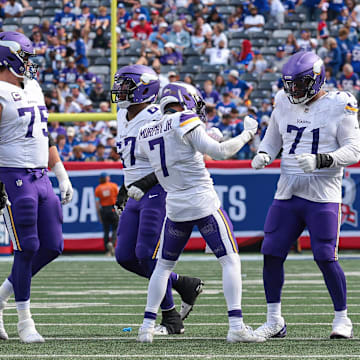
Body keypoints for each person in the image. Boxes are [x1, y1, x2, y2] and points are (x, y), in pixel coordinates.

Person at [134, 81, 263, 343]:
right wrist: (248, 134)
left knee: (162, 267)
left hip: (176, 206)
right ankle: (236, 326)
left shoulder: (146, 131)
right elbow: (220, 152)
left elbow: (175, 155)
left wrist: (199, 142)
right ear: (186, 100)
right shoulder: (185, 118)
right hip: (202, 201)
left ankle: (146, 327)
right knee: (230, 260)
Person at [251, 51, 360, 339]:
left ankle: (342, 319)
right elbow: (274, 135)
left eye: (300, 84)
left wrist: (321, 160)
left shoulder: (341, 103)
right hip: (287, 191)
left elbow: (354, 150)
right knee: (271, 253)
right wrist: (264, 153)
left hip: (323, 193)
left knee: (325, 255)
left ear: (316, 79)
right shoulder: (282, 100)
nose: (294, 90)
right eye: (290, 84)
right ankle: (274, 320)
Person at [111, 65, 204, 336]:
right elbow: (132, 160)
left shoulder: (158, 116)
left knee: (147, 253)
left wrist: (140, 184)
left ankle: (171, 319)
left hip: (158, 189)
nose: (120, 91)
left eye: (126, 85)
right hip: (135, 191)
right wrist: (124, 186)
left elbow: (173, 158)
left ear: (144, 88)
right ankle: (183, 283)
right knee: (125, 256)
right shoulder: (122, 115)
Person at [0, 31, 73, 343]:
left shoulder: (34, 87)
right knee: (26, 246)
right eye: (25, 57)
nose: (29, 64)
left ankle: (1, 295)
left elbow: (46, 136)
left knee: (52, 246)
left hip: (41, 176)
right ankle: (24, 321)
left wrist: (61, 172)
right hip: (12, 175)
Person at [95, 173, 119, 256]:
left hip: (104, 210)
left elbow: (97, 204)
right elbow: (118, 198)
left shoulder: (98, 189)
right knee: (115, 229)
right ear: (106, 178)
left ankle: (107, 249)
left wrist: (99, 215)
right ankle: (112, 244)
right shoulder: (113, 186)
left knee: (106, 230)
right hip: (113, 209)